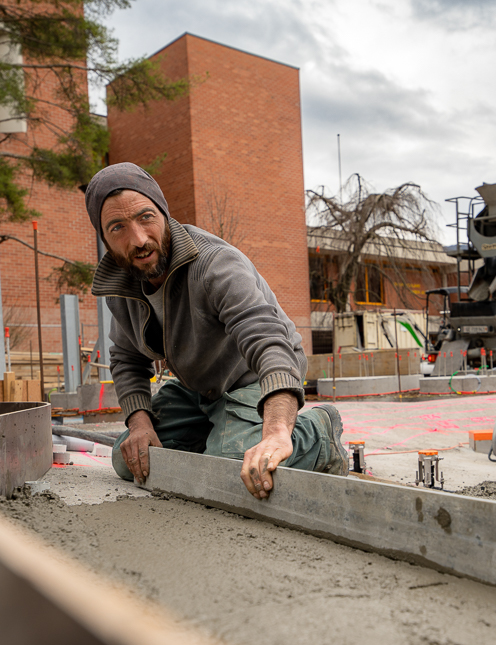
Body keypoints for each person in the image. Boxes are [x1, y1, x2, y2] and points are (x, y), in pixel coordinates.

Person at [85, 162, 348, 499]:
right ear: (105, 238)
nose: (138, 239)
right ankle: (223, 433)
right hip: (200, 389)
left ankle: (318, 434)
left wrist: (277, 430)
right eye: (117, 227)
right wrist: (139, 424)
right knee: (131, 459)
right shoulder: (123, 284)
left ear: (164, 213)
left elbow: (269, 341)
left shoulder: (215, 264)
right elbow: (126, 359)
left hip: (256, 379)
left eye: (146, 217)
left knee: (228, 469)